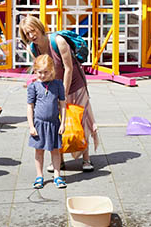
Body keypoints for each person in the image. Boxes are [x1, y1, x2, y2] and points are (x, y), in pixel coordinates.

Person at [20, 16, 98, 173]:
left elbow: (68, 68)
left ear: (39, 27)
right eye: (27, 34)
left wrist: (63, 92)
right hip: (54, 86)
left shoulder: (58, 41)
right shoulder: (33, 48)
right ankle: (59, 160)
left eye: (32, 31)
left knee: (80, 120)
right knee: (56, 122)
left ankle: (86, 159)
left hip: (75, 84)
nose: (31, 36)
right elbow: (42, 69)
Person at [28, 55, 68, 189]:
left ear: (52, 70)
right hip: (39, 124)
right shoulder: (33, 86)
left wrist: (63, 123)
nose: (43, 75)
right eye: (40, 72)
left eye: (46, 72)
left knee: (55, 151)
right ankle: (39, 176)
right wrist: (31, 126)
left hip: (54, 124)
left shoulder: (57, 85)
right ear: (35, 71)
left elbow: (62, 104)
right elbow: (30, 107)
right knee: (39, 151)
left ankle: (57, 176)